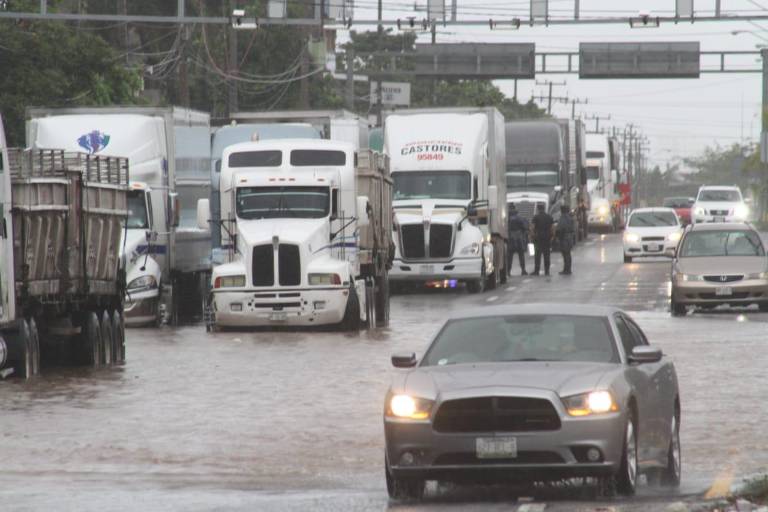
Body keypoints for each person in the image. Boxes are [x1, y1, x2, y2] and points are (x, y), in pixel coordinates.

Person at [530, 203, 554, 276]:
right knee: (547, 255)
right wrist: (552, 237)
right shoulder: (549, 217)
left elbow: (532, 227)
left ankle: (536, 271)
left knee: (537, 255)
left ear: (538, 209)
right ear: (544, 208)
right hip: (547, 238)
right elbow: (552, 228)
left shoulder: (536, 217)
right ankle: (547, 271)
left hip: (538, 238)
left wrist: (532, 236)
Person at [507, 203, 529, 276]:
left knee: (509, 256)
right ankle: (523, 270)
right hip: (519, 238)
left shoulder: (507, 218)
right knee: (521, 255)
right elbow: (525, 227)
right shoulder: (520, 218)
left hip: (510, 238)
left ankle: (508, 271)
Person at [556, 204, 576, 275]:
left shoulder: (563, 218)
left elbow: (560, 228)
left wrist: (557, 237)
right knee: (568, 254)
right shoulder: (570, 218)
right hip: (570, 237)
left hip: (564, 237)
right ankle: (568, 269)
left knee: (565, 254)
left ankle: (566, 269)